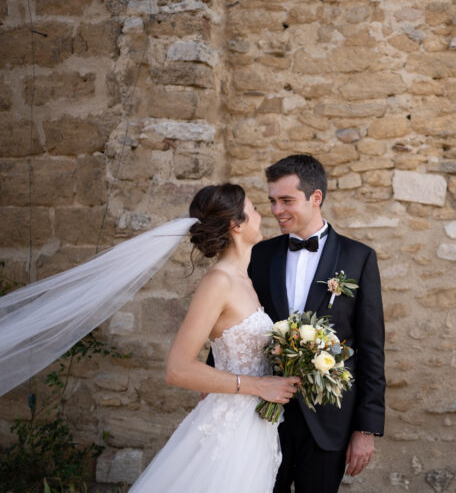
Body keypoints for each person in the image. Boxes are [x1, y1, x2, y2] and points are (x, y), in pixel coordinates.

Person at [129, 184, 301, 492]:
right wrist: (259, 386)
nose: (263, 216)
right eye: (255, 210)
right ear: (236, 225)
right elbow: (177, 368)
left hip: (256, 426)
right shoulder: (218, 281)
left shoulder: (245, 280)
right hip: (230, 426)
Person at [252, 155, 386, 492]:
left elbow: (371, 348)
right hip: (265, 416)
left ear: (316, 198)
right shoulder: (260, 255)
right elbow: (239, 323)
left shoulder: (358, 257)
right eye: (272, 201)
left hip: (331, 421)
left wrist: (366, 429)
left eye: (286, 200)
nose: (276, 210)